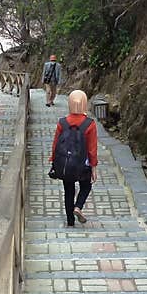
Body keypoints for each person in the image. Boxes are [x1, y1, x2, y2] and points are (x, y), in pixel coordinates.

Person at [49, 90, 97, 226]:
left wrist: (53, 162)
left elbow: (55, 145)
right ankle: (78, 207)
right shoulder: (90, 124)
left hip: (65, 163)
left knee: (68, 190)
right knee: (86, 186)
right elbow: (92, 149)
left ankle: (70, 221)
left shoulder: (62, 122)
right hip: (83, 164)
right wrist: (94, 167)